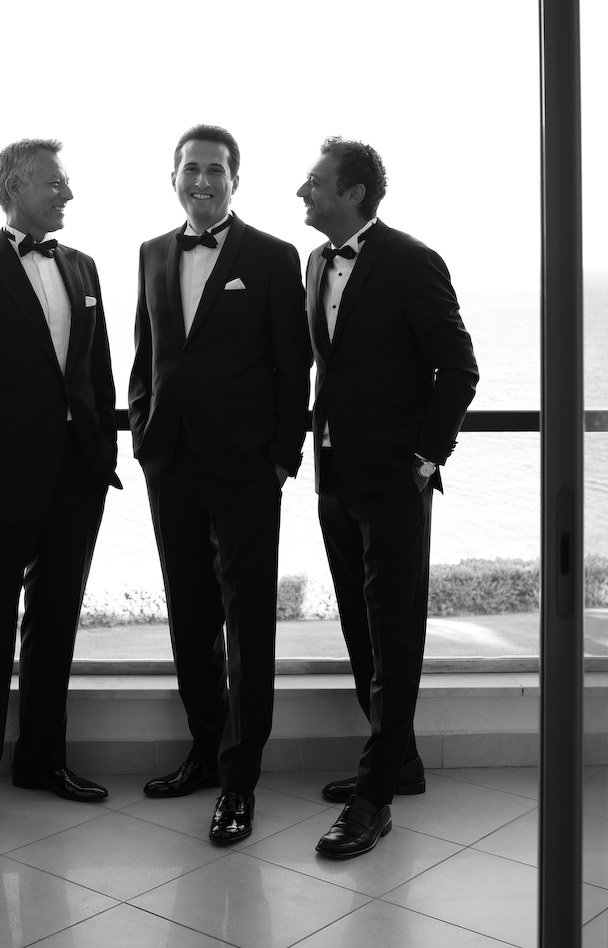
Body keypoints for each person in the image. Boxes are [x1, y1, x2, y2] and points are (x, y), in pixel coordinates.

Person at [0, 138, 120, 846]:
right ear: (14, 188)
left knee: (56, 622)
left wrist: (103, 457)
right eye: (54, 184)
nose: (68, 195)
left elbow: (96, 370)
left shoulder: (83, 267)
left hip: (77, 479)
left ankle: (41, 762)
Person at [129, 124, 312, 846]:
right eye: (191, 169)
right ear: (173, 177)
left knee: (248, 622)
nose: (202, 180)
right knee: (189, 614)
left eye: (215, 170)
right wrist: (143, 437)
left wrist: (282, 456)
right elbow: (145, 356)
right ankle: (204, 752)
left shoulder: (271, 256)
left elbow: (293, 365)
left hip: (246, 468)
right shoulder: (151, 252)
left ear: (235, 180)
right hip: (170, 463)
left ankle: (241, 781)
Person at [297, 137, 478, 859]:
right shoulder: (315, 263)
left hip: (397, 483)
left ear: (353, 193)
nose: (302, 193)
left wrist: (427, 458)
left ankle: (374, 800)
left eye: (314, 183)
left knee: (394, 634)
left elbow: (458, 367)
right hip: (335, 478)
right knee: (359, 627)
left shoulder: (412, 260)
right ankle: (398, 762)